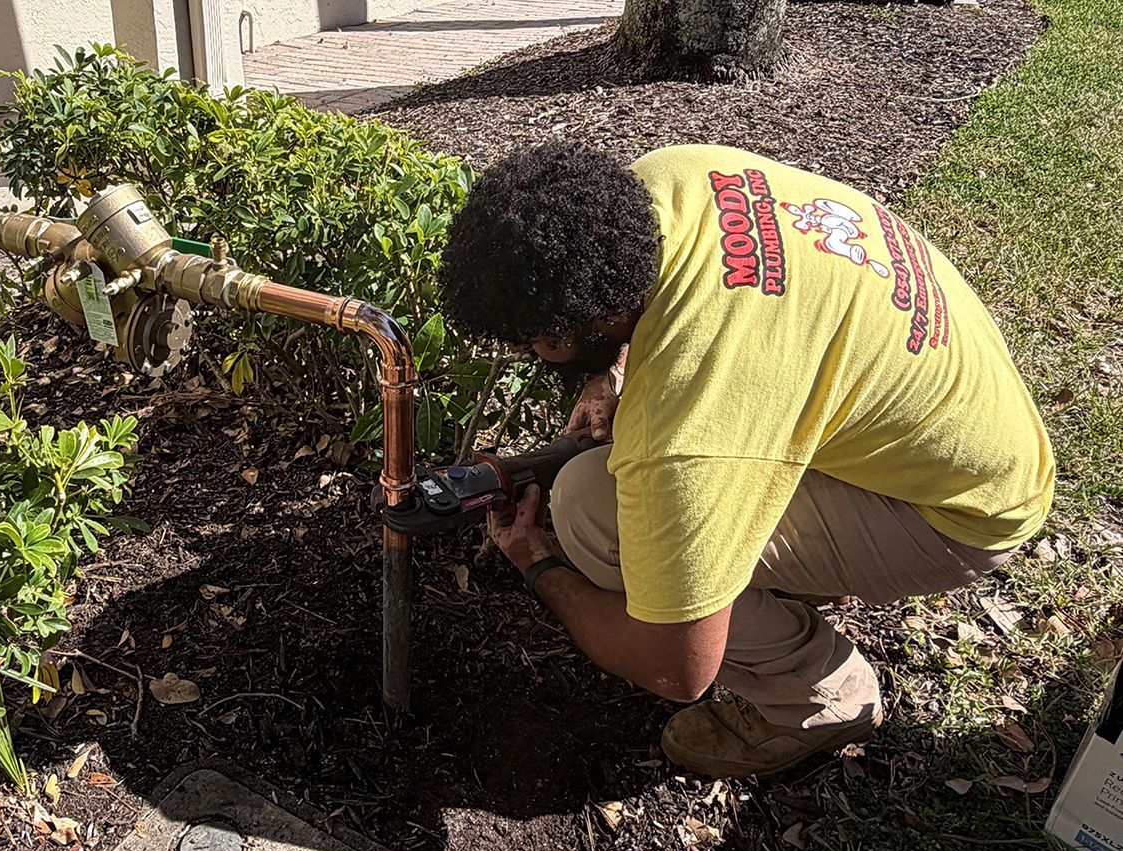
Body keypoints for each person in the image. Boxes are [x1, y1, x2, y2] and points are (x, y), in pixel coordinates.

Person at [437, 143, 1053, 780]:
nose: (537, 356)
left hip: (959, 514)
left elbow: (675, 667)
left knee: (590, 509)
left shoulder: (687, 424)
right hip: (963, 426)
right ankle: (794, 579)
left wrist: (538, 564)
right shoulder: (666, 183)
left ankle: (818, 698)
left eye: (540, 341)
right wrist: (611, 369)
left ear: (601, 311)